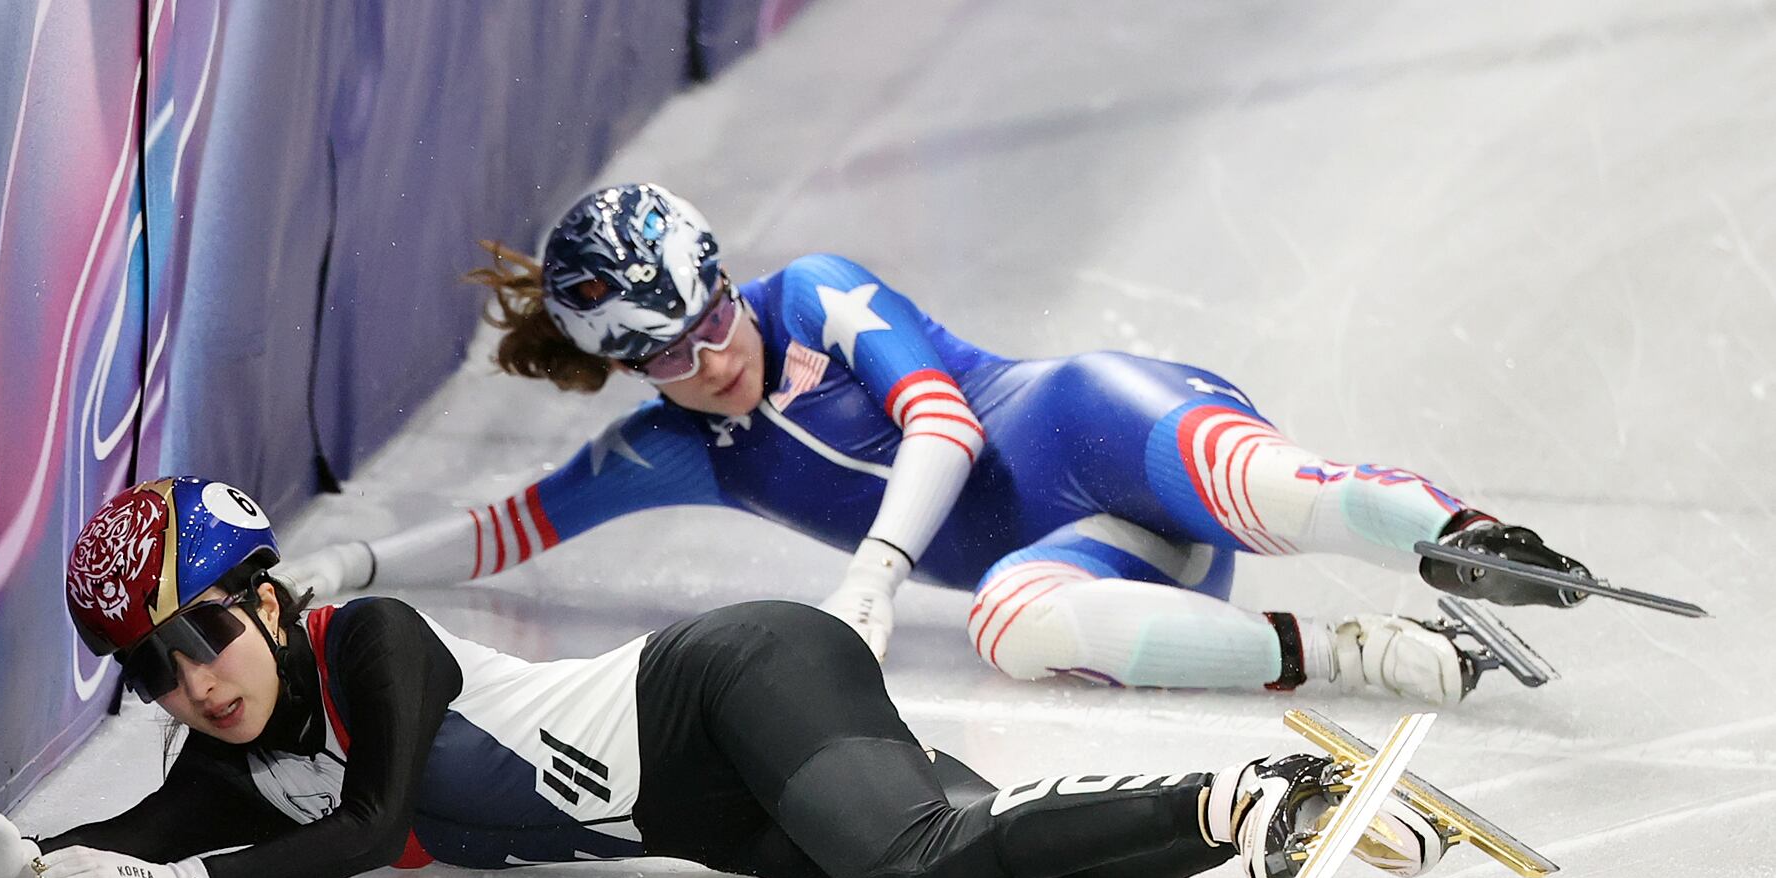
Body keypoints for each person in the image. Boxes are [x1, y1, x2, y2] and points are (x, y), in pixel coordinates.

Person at [280, 184, 1591, 706]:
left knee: (1274, 488)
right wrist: (348, 564)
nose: (716, 354)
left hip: (1102, 419)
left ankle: (1463, 539)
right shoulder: (686, 448)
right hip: (1101, 553)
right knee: (1013, 627)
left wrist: (875, 573)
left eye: (715, 310)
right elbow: (511, 527)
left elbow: (945, 420)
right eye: (671, 353)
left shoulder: (818, 295)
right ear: (627, 369)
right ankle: (1360, 654)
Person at [0, 477, 1449, 878]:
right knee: (988, 870)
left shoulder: (365, 645)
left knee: (917, 872)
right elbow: (139, 831)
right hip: (720, 812)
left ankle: (1248, 791)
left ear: (268, 597)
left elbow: (378, 814)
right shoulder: (236, 766)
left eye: (206, 633)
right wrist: (30, 864)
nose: (198, 682)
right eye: (159, 670)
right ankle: (1264, 806)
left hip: (728, 685)